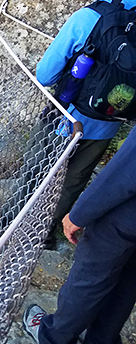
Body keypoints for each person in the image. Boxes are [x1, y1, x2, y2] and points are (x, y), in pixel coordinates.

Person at [31, 0, 136, 248]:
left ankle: (12, 223)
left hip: (66, 116)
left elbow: (45, 75)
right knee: (74, 179)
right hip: (111, 120)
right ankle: (46, 232)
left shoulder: (87, 18)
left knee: (37, 168)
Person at [23, 122, 136, 344]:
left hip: (123, 219)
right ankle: (101, 339)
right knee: (127, 286)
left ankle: (54, 336)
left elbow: (124, 173)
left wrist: (79, 214)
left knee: (89, 280)